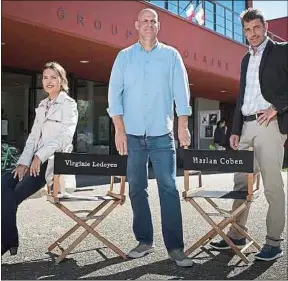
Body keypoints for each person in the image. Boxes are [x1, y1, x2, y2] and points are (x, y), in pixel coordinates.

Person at [107, 8, 193, 267]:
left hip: (162, 134)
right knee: (137, 188)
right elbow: (114, 95)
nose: (148, 24)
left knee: (168, 187)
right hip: (132, 135)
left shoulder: (171, 56)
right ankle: (145, 241)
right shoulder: (124, 57)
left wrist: (183, 125)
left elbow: (181, 91)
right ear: (136, 25)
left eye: (152, 21)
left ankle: (176, 247)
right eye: (144, 21)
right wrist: (119, 130)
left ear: (158, 26)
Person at [210, 8, 288, 261]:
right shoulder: (245, 59)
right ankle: (237, 234)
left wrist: (277, 107)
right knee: (241, 183)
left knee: (272, 186)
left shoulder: (282, 51)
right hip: (246, 126)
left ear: (265, 27)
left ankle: (273, 242)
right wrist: (235, 129)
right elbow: (242, 95)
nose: (252, 34)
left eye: (256, 28)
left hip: (269, 125)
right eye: (247, 30)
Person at [1, 62, 78, 256]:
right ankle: (9, 240)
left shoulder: (69, 105)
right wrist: (23, 162)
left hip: (52, 163)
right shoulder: (42, 106)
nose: (49, 81)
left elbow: (64, 139)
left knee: (10, 196)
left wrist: (39, 156)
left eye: (53, 77)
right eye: (45, 77)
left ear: (61, 81)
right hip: (33, 161)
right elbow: (33, 137)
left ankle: (7, 242)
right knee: (4, 186)